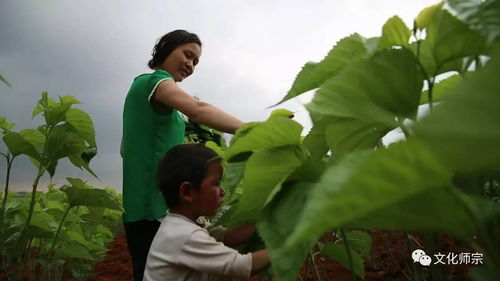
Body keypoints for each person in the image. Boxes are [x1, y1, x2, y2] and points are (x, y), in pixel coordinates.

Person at [121, 30, 245, 281]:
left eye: (195, 62)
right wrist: (252, 130)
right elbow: (198, 109)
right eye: (187, 55)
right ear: (166, 49)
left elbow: (125, 149)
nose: (190, 64)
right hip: (152, 209)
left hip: (142, 207)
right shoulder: (153, 81)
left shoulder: (144, 94)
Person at [144, 144, 270, 281]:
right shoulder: (183, 235)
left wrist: (267, 223)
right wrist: (292, 244)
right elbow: (240, 265)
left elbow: (226, 237)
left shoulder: (187, 223)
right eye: (216, 183)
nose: (223, 191)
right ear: (187, 192)